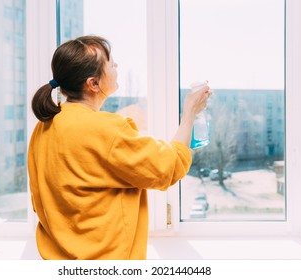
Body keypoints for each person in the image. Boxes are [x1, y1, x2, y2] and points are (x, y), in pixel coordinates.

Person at [27, 35, 211, 260]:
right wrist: (190, 114)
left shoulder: (45, 125)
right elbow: (169, 167)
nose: (116, 65)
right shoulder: (104, 130)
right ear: (93, 83)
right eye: (110, 62)